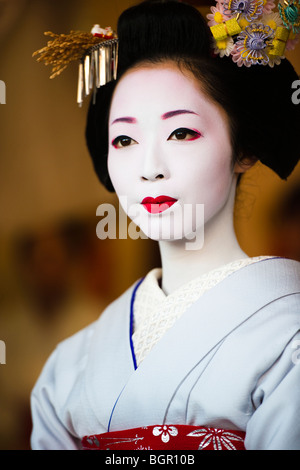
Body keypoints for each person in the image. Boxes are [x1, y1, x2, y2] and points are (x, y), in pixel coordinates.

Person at [30, 0, 300, 450]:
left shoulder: (288, 335)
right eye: (124, 139)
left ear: (244, 149)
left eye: (181, 133)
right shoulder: (70, 363)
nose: (149, 168)